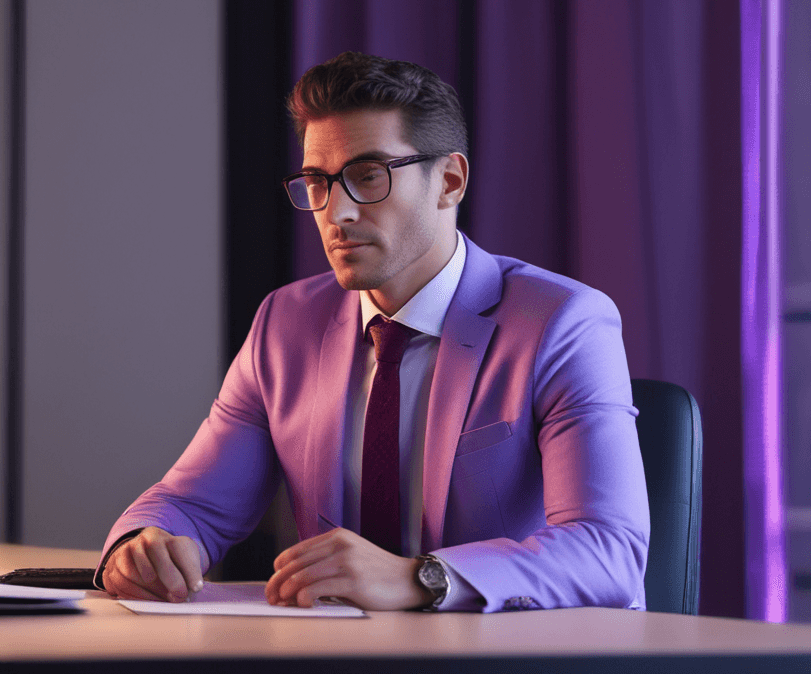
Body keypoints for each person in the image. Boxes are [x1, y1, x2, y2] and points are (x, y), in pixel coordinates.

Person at [96, 52, 650, 612]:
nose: (335, 213)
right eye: (318, 181)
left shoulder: (564, 323)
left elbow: (608, 551)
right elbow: (193, 505)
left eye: (368, 176)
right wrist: (144, 544)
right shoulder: (284, 324)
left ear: (450, 181)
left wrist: (421, 579)